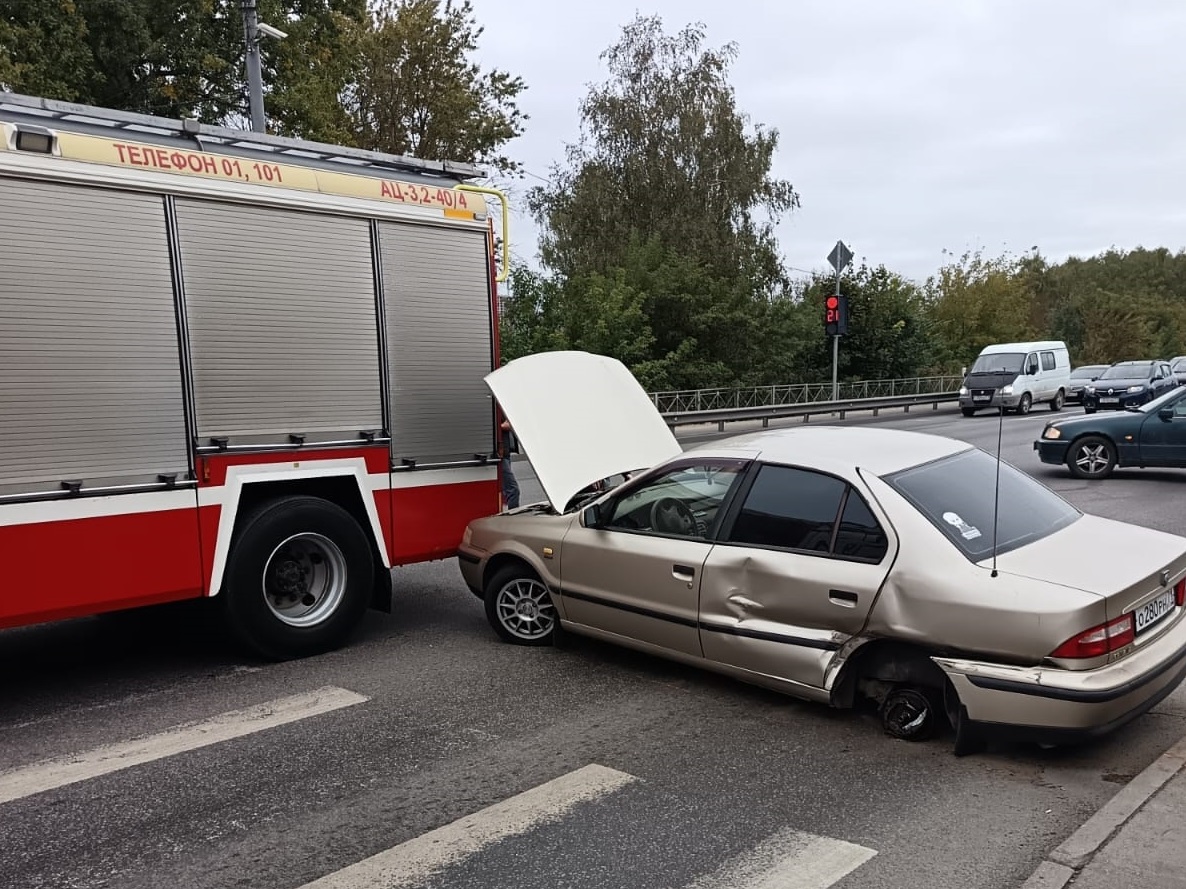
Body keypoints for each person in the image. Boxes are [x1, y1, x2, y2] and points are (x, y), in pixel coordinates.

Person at [499, 418, 520, 510]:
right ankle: (513, 516)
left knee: (506, 491)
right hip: (500, 455)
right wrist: (501, 426)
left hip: (505, 453)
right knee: (513, 490)